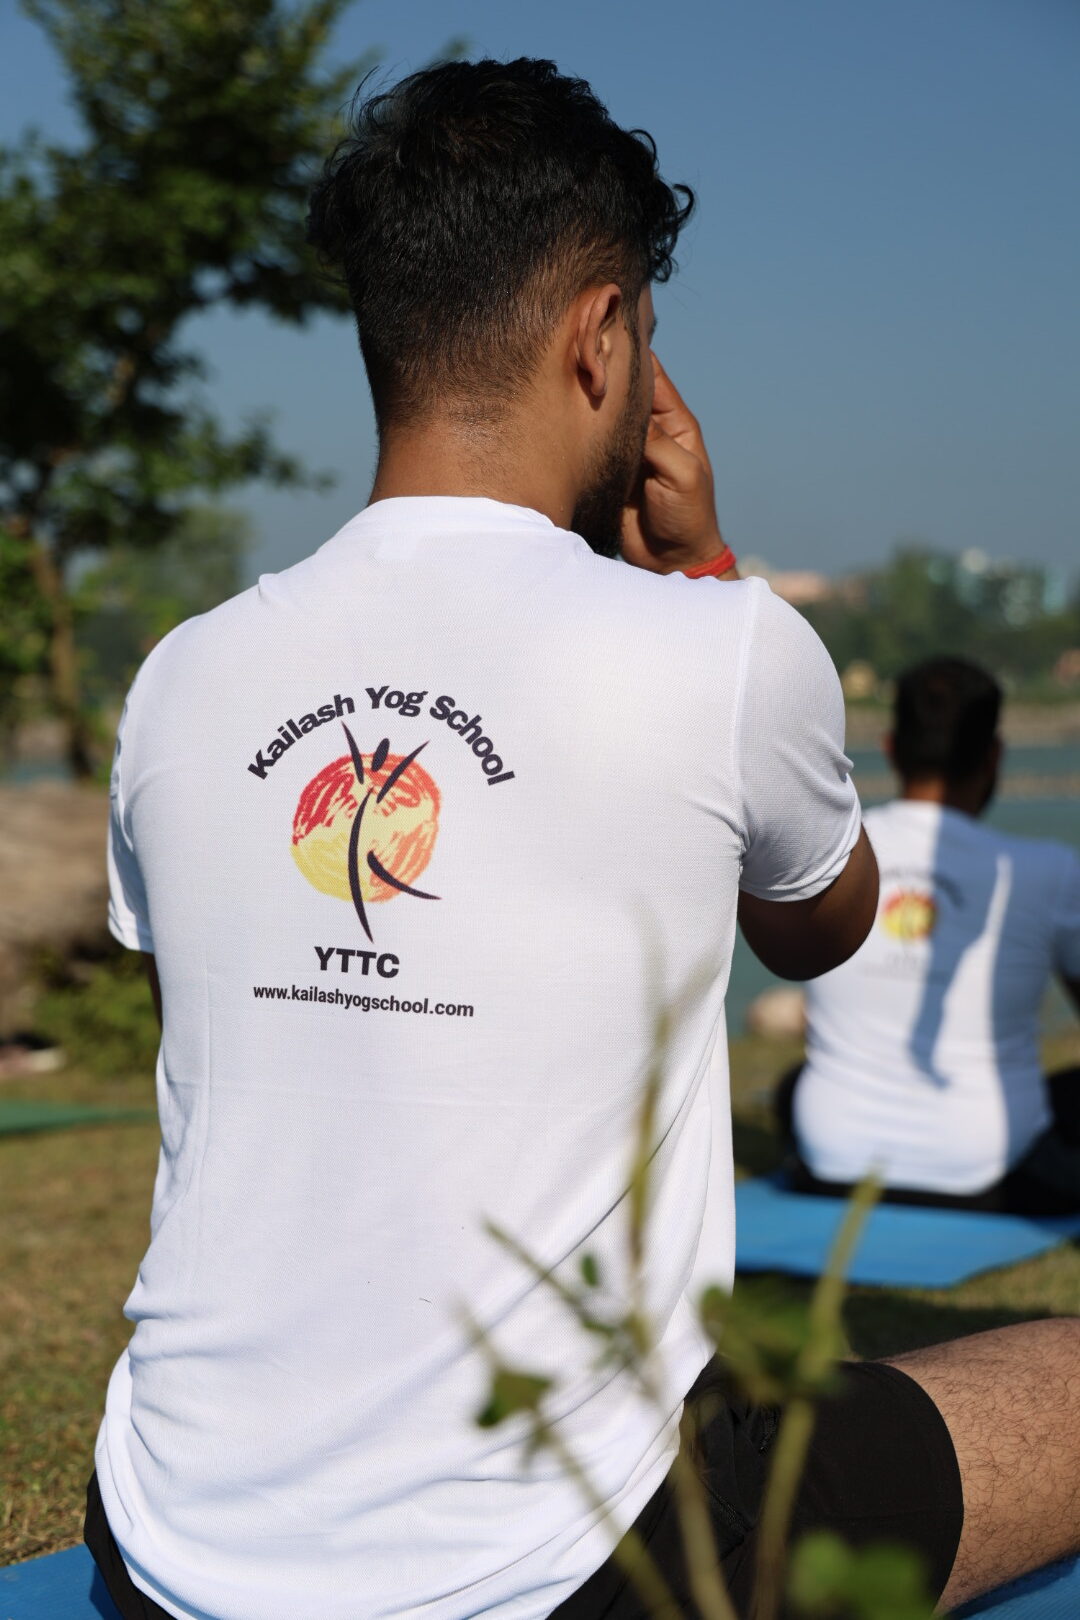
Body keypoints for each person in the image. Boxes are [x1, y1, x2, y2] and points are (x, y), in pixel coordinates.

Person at [84, 59, 1079, 1620]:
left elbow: (220, 1058)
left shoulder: (183, 677)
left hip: (164, 1544)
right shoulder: (723, 648)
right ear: (601, 338)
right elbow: (823, 928)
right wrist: (706, 572)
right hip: (568, 1575)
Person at [784, 656, 1080, 1213]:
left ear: (890, 748)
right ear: (994, 756)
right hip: (996, 1169)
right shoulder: (1050, 870)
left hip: (832, 1161)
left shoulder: (832, 853)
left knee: (797, 1082)